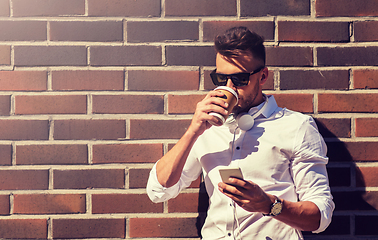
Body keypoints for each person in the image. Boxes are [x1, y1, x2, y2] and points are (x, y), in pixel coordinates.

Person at [147, 26, 334, 239]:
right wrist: (193, 131)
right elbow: (159, 191)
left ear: (262, 76)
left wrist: (269, 205)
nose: (229, 87)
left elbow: (320, 216)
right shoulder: (206, 126)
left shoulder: (296, 127)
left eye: (239, 79)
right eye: (220, 79)